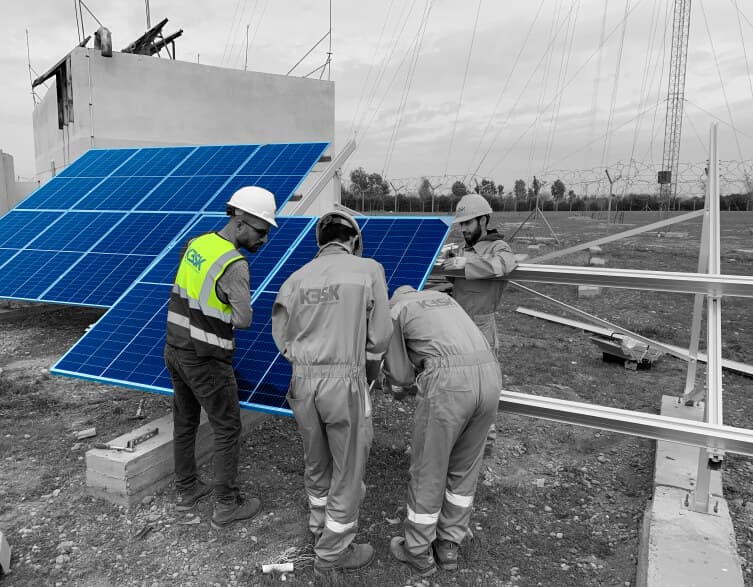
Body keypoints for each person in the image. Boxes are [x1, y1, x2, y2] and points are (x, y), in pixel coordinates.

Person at [271, 210, 392, 577]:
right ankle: (333, 553)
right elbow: (380, 335)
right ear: (353, 240)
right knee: (348, 468)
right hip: (345, 381)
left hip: (303, 382)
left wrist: (304, 364)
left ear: (320, 242)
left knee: (317, 460)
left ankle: (319, 527)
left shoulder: (295, 278)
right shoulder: (368, 270)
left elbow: (281, 334)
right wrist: (369, 371)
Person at [163, 185, 277, 529]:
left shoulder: (197, 243)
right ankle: (226, 505)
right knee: (227, 427)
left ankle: (187, 489)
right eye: (261, 231)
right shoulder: (234, 263)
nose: (264, 240)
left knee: (185, 422)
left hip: (175, 347)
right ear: (241, 220)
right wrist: (220, 312)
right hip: (206, 356)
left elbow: (189, 292)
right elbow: (243, 320)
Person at [383, 285, 501, 576]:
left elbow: (400, 375)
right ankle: (449, 545)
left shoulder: (395, 310)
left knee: (429, 469)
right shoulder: (444, 299)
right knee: (465, 466)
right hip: (490, 375)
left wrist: (399, 384)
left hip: (449, 383)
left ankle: (418, 550)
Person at [442, 193, 517, 456]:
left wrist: (468, 263)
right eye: (461, 224)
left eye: (468, 223)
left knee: (484, 387)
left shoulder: (498, 247)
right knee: (458, 384)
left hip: (482, 325)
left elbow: (506, 265)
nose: (463, 229)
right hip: (458, 324)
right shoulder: (463, 248)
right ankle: (460, 442)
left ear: (484, 220)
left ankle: (485, 445)